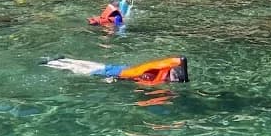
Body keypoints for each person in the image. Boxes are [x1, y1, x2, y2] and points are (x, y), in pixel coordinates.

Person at [46, 56, 189, 84]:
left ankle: (63, 58)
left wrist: (184, 71)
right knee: (77, 70)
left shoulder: (161, 66)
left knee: (93, 65)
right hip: (117, 73)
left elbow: (181, 59)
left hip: (121, 68)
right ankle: (51, 63)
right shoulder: (155, 77)